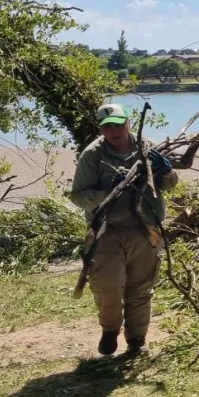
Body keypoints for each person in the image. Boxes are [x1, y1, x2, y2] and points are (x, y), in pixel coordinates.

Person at [70, 103, 177, 356]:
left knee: (140, 286)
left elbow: (170, 185)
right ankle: (109, 330)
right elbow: (78, 196)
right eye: (108, 127)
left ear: (128, 122)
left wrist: (166, 172)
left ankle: (136, 339)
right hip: (107, 228)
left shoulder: (148, 148)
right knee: (106, 283)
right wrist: (109, 192)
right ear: (101, 129)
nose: (114, 131)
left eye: (118, 124)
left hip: (146, 227)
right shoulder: (92, 155)